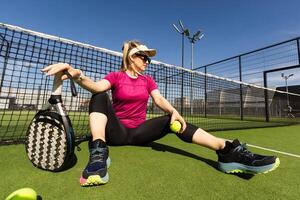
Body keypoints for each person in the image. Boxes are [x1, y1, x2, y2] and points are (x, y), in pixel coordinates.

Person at [42, 40, 280, 187]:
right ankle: (98, 155)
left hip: (139, 133)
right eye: (144, 57)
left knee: (171, 120)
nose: (147, 61)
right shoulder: (115, 76)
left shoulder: (148, 80)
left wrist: (175, 112)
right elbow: (95, 87)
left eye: (148, 59)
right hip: (115, 132)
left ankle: (226, 151)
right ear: (131, 57)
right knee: (100, 96)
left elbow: (158, 99)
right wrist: (75, 74)